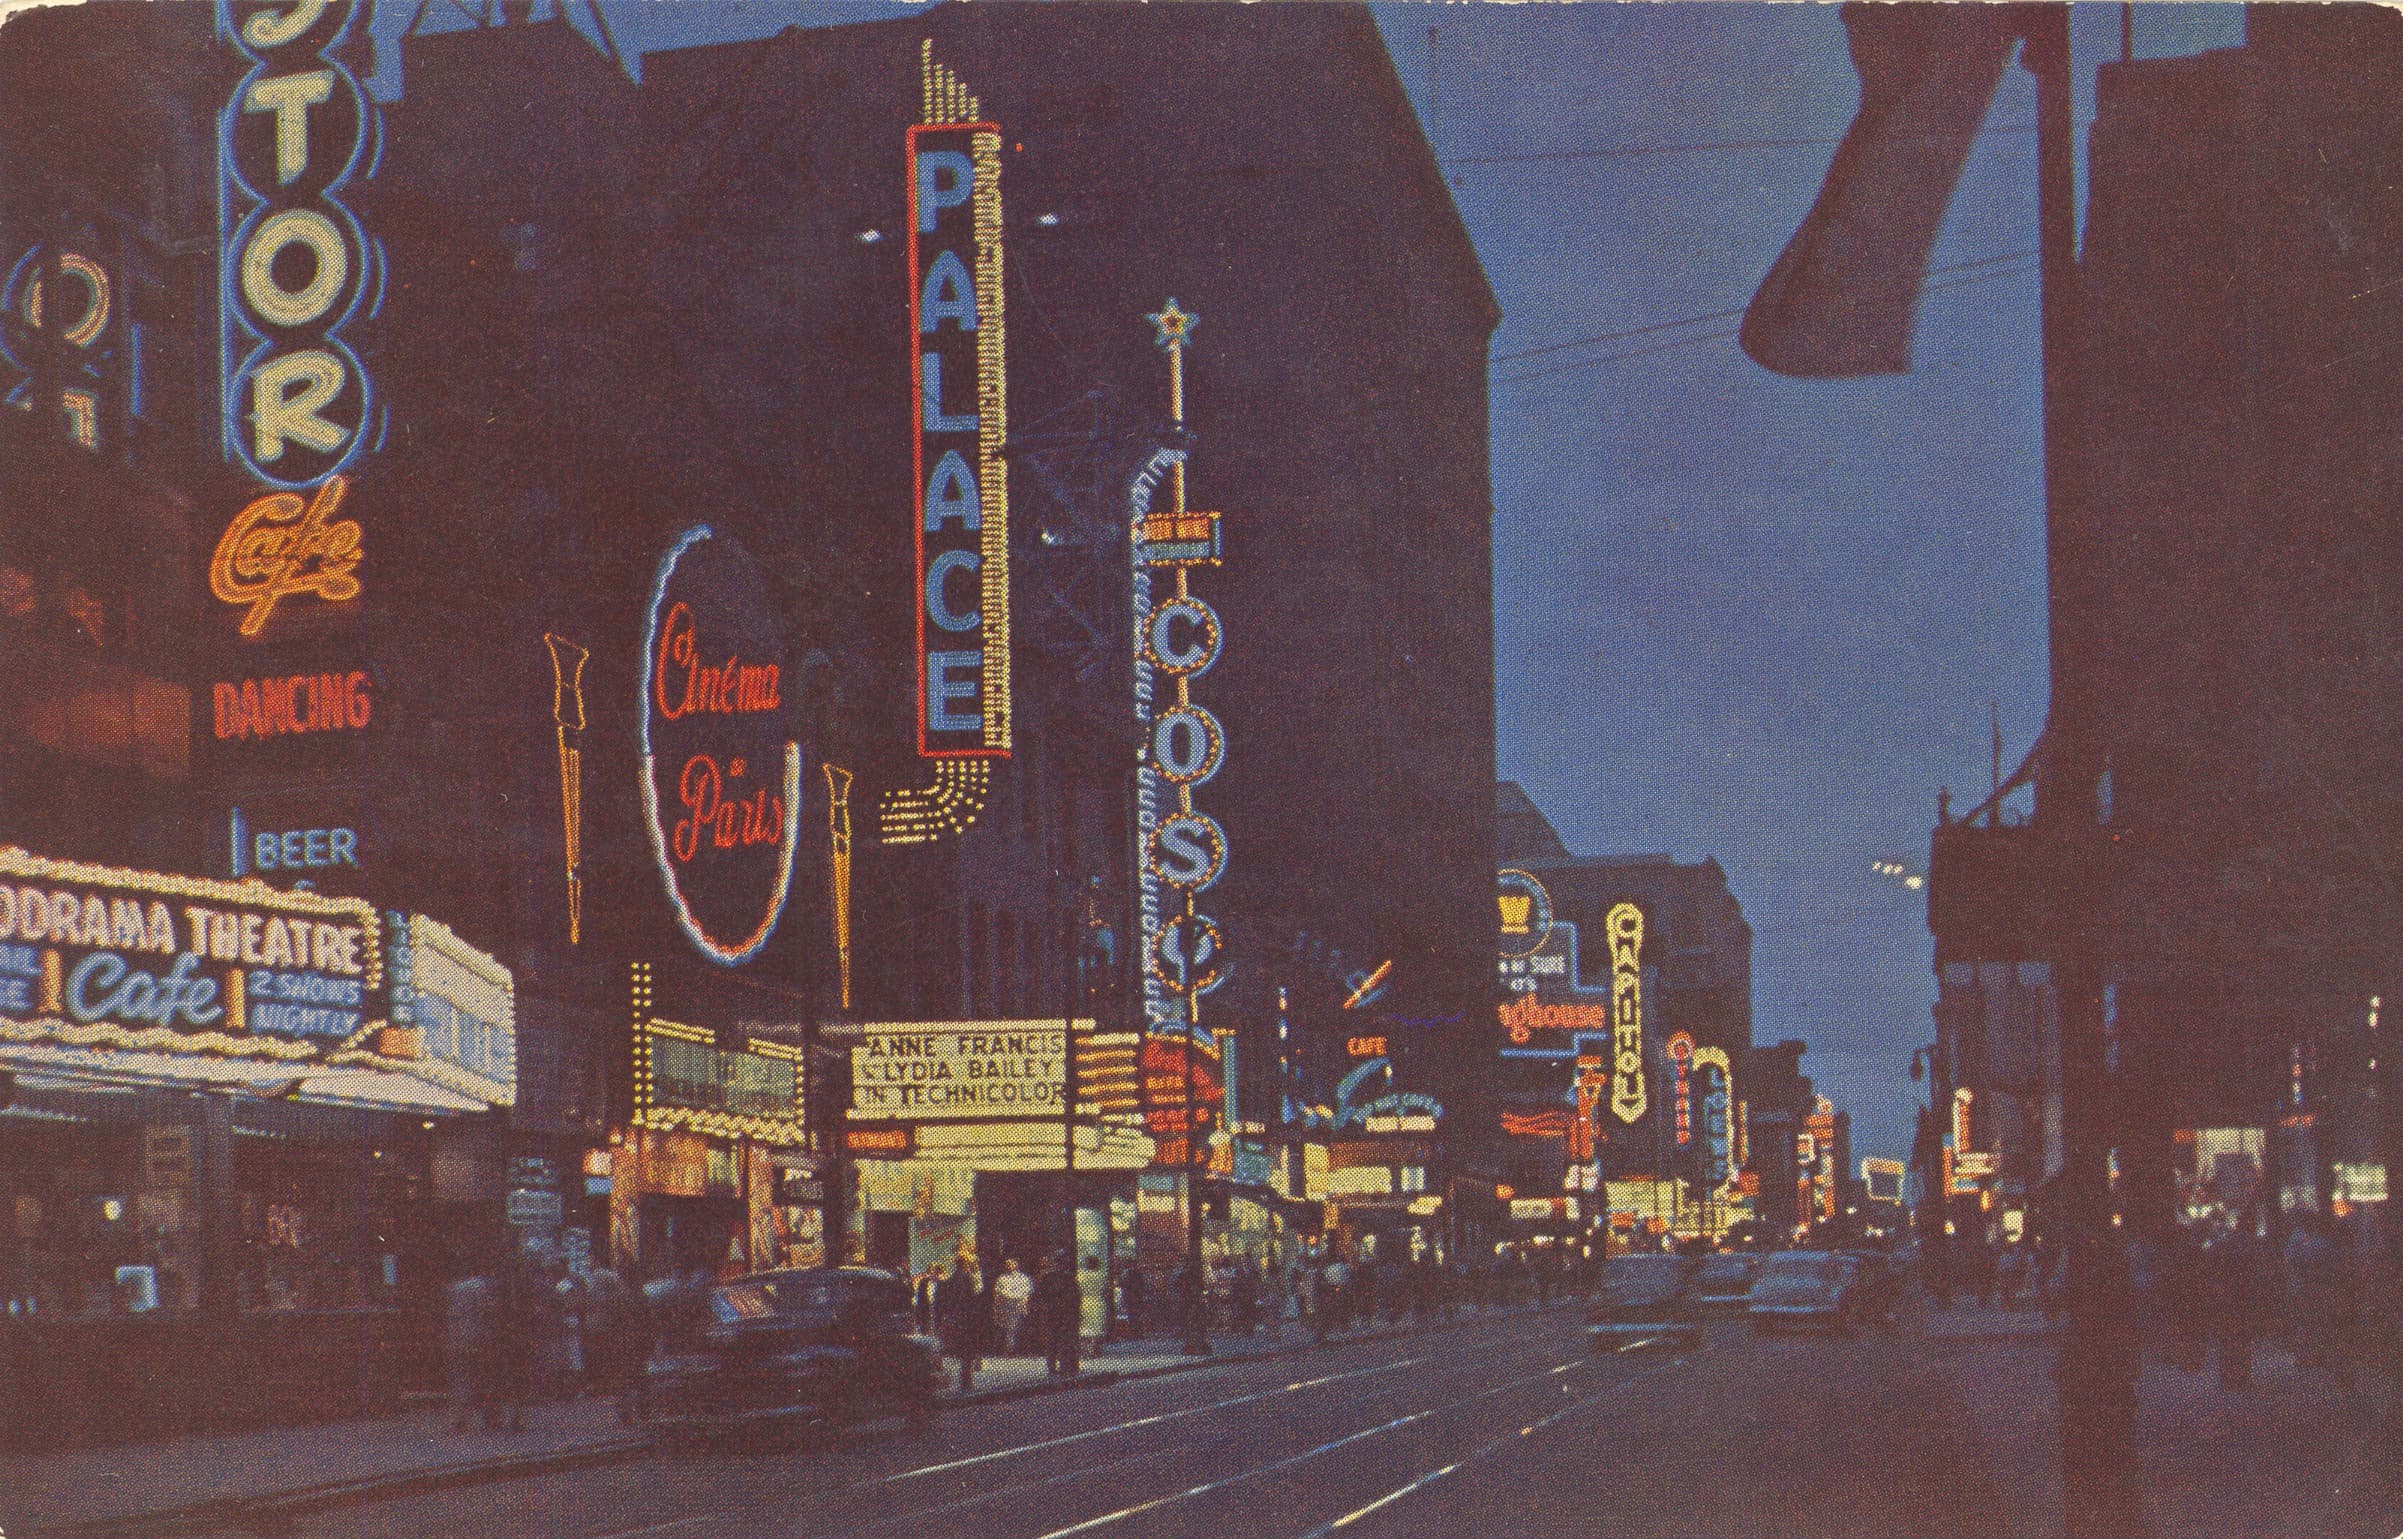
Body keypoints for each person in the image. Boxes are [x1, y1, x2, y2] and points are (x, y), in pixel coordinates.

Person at [443, 1260, 501, 1433]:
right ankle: (490, 1417)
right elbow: (490, 1310)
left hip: (457, 1336)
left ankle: (460, 1420)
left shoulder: (454, 1288)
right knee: (486, 1377)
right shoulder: (483, 1287)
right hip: (481, 1335)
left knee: (461, 1379)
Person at [581, 1264, 641, 1425]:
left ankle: (625, 1406)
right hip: (619, 1335)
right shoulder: (622, 1293)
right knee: (624, 1372)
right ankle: (626, 1407)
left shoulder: (603, 1294)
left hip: (610, 1334)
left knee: (619, 1372)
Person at [936, 1256, 985, 1393]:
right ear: (964, 1264)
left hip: (955, 1317)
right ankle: (966, 1382)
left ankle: (962, 1381)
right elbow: (973, 1298)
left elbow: (944, 1300)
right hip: (967, 1318)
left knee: (959, 1348)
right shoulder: (968, 1278)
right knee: (967, 1351)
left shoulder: (950, 1280)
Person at [1033, 1253, 1080, 1376]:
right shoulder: (1069, 1278)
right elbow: (1076, 1298)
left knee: (1053, 1340)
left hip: (1053, 1313)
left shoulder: (1048, 1278)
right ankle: (1066, 1366)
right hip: (1065, 1314)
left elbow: (1040, 1295)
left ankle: (1053, 1366)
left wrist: (1044, 1309)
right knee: (1065, 1340)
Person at [992, 1257, 1033, 1355]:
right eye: (1007, 1264)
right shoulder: (1002, 1278)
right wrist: (996, 1306)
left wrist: (1025, 1304)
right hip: (1005, 1304)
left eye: (1011, 1264)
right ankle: (1008, 1349)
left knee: (1017, 1326)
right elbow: (997, 1293)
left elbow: (1027, 1293)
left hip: (1018, 1303)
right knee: (1006, 1327)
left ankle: (1019, 1349)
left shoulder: (1023, 1278)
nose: (1009, 1266)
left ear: (1016, 1264)